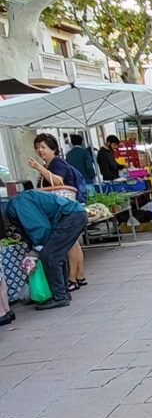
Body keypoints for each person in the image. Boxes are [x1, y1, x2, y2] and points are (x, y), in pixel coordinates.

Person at [2, 190, 87, 310]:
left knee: (50, 257)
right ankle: (63, 293)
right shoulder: (16, 203)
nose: (7, 227)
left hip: (70, 217)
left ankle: (60, 297)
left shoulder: (17, 205)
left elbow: (41, 227)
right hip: (73, 215)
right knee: (56, 256)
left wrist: (35, 251)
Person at [29, 133, 88, 290]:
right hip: (69, 208)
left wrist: (38, 167)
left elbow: (58, 181)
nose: (40, 150)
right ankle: (80, 276)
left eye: (43, 147)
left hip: (65, 209)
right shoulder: (50, 164)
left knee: (70, 245)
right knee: (73, 243)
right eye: (37, 148)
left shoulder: (56, 163)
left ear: (53, 148)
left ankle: (72, 279)